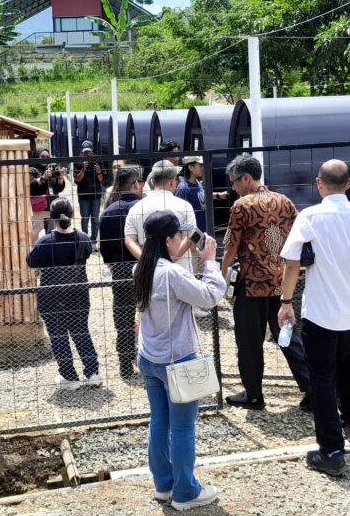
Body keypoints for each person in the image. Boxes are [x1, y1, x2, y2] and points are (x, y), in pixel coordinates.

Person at [278, 160, 350, 476]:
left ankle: (332, 451)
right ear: (349, 184)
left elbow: (291, 264)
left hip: (321, 314)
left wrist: (286, 302)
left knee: (322, 378)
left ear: (319, 183)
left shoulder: (310, 216)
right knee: (346, 361)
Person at [133, 210, 225, 511]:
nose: (182, 240)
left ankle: (164, 485)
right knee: (183, 427)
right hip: (177, 360)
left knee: (159, 422)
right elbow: (210, 296)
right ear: (168, 240)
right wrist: (210, 261)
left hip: (149, 357)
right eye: (179, 236)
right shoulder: (171, 273)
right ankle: (186, 492)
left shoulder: (141, 268)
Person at [220, 155, 311, 411]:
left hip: (252, 284)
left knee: (250, 342)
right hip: (282, 283)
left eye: (234, 182)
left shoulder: (241, 206)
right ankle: (312, 389)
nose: (233, 187)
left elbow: (231, 246)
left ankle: (253, 394)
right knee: (290, 337)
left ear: (246, 178)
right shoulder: (284, 201)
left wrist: (221, 273)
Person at [27, 197, 102, 389]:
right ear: (73, 214)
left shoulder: (45, 241)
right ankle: (93, 373)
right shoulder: (83, 238)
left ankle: (69, 377)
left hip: (52, 296)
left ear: (52, 219)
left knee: (58, 335)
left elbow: (31, 261)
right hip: (78, 294)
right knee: (81, 332)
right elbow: (87, 253)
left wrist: (39, 238)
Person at [99, 164, 145, 378]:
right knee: (150, 313)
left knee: (123, 317)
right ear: (135, 184)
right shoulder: (144, 208)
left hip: (120, 269)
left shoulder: (108, 212)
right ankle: (148, 356)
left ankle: (125, 362)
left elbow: (105, 249)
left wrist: (113, 263)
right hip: (145, 267)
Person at [124, 161, 198, 273]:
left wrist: (148, 261)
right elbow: (191, 235)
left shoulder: (136, 208)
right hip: (181, 272)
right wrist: (173, 257)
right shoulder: (184, 206)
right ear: (172, 182)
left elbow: (129, 240)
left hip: (150, 274)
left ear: (152, 182)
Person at [29, 148, 66, 242]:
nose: (45, 158)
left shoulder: (51, 169)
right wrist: (43, 178)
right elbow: (31, 185)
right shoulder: (32, 170)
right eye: (42, 156)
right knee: (37, 235)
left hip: (53, 207)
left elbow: (59, 188)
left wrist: (61, 178)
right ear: (37, 157)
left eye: (47, 157)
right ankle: (37, 250)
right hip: (39, 208)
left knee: (52, 235)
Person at [74, 141, 105, 246]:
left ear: (92, 151)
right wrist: (83, 169)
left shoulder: (98, 160)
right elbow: (77, 180)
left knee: (95, 218)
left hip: (96, 194)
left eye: (89, 152)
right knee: (85, 218)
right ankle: (85, 239)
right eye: (85, 153)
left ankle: (93, 240)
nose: (87, 154)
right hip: (83, 195)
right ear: (82, 153)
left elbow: (101, 180)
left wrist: (98, 171)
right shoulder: (78, 161)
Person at [174, 156, 208, 233]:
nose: (203, 168)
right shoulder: (183, 188)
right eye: (200, 165)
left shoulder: (198, 183)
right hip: (192, 234)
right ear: (191, 167)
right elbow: (180, 216)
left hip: (202, 231)